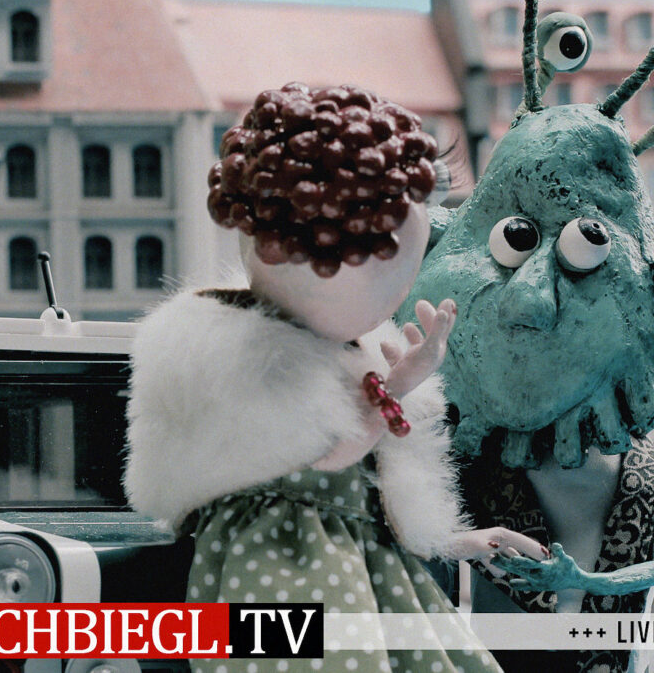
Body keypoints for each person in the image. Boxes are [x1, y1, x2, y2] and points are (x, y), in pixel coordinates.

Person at [124, 83, 545, 673]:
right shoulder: (245, 356)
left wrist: (458, 541)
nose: (398, 294)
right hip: (288, 566)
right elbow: (324, 454)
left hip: (363, 566)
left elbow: (370, 495)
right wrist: (398, 386)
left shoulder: (339, 352)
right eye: (390, 274)